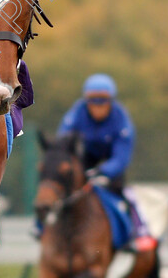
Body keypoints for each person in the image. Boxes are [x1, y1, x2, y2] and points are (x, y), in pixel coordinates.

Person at [56, 73, 155, 252]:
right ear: (86, 101)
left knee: (122, 193)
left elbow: (122, 156)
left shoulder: (121, 119)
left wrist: (104, 172)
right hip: (84, 158)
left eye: (103, 100)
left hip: (110, 160)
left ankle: (137, 231)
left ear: (111, 101)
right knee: (60, 190)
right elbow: (63, 144)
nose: (98, 106)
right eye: (93, 100)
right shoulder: (76, 114)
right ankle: (44, 228)